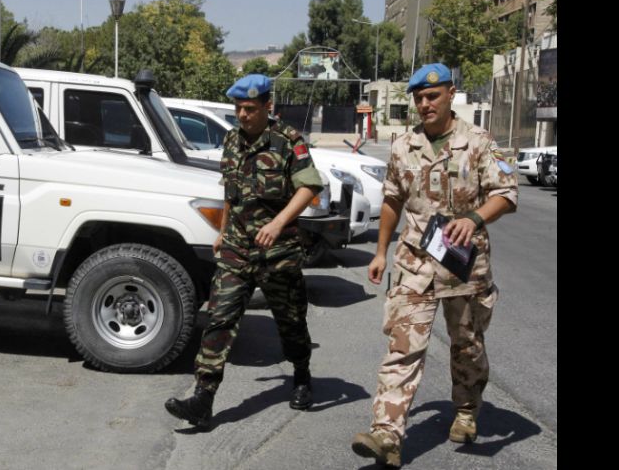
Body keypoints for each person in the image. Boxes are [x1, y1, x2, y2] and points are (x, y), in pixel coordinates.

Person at [350, 63, 518, 467]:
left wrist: (474, 218)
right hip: (415, 265)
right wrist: (380, 251)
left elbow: (507, 193)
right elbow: (392, 200)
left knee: (467, 347)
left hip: (464, 268)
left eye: (432, 96)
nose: (425, 104)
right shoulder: (403, 146)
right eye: (419, 98)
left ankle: (466, 409)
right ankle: (387, 435)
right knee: (402, 350)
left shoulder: (478, 141)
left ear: (450, 94)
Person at [164, 74, 324, 428]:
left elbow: (310, 186)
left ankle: (301, 375)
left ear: (269, 107)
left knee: (291, 323)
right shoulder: (232, 139)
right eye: (238, 108)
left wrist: (278, 223)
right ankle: (203, 398)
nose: (242, 115)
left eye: (250, 108)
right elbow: (230, 191)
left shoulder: (288, 141)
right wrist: (221, 231)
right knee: (220, 318)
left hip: (277, 252)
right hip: (236, 248)